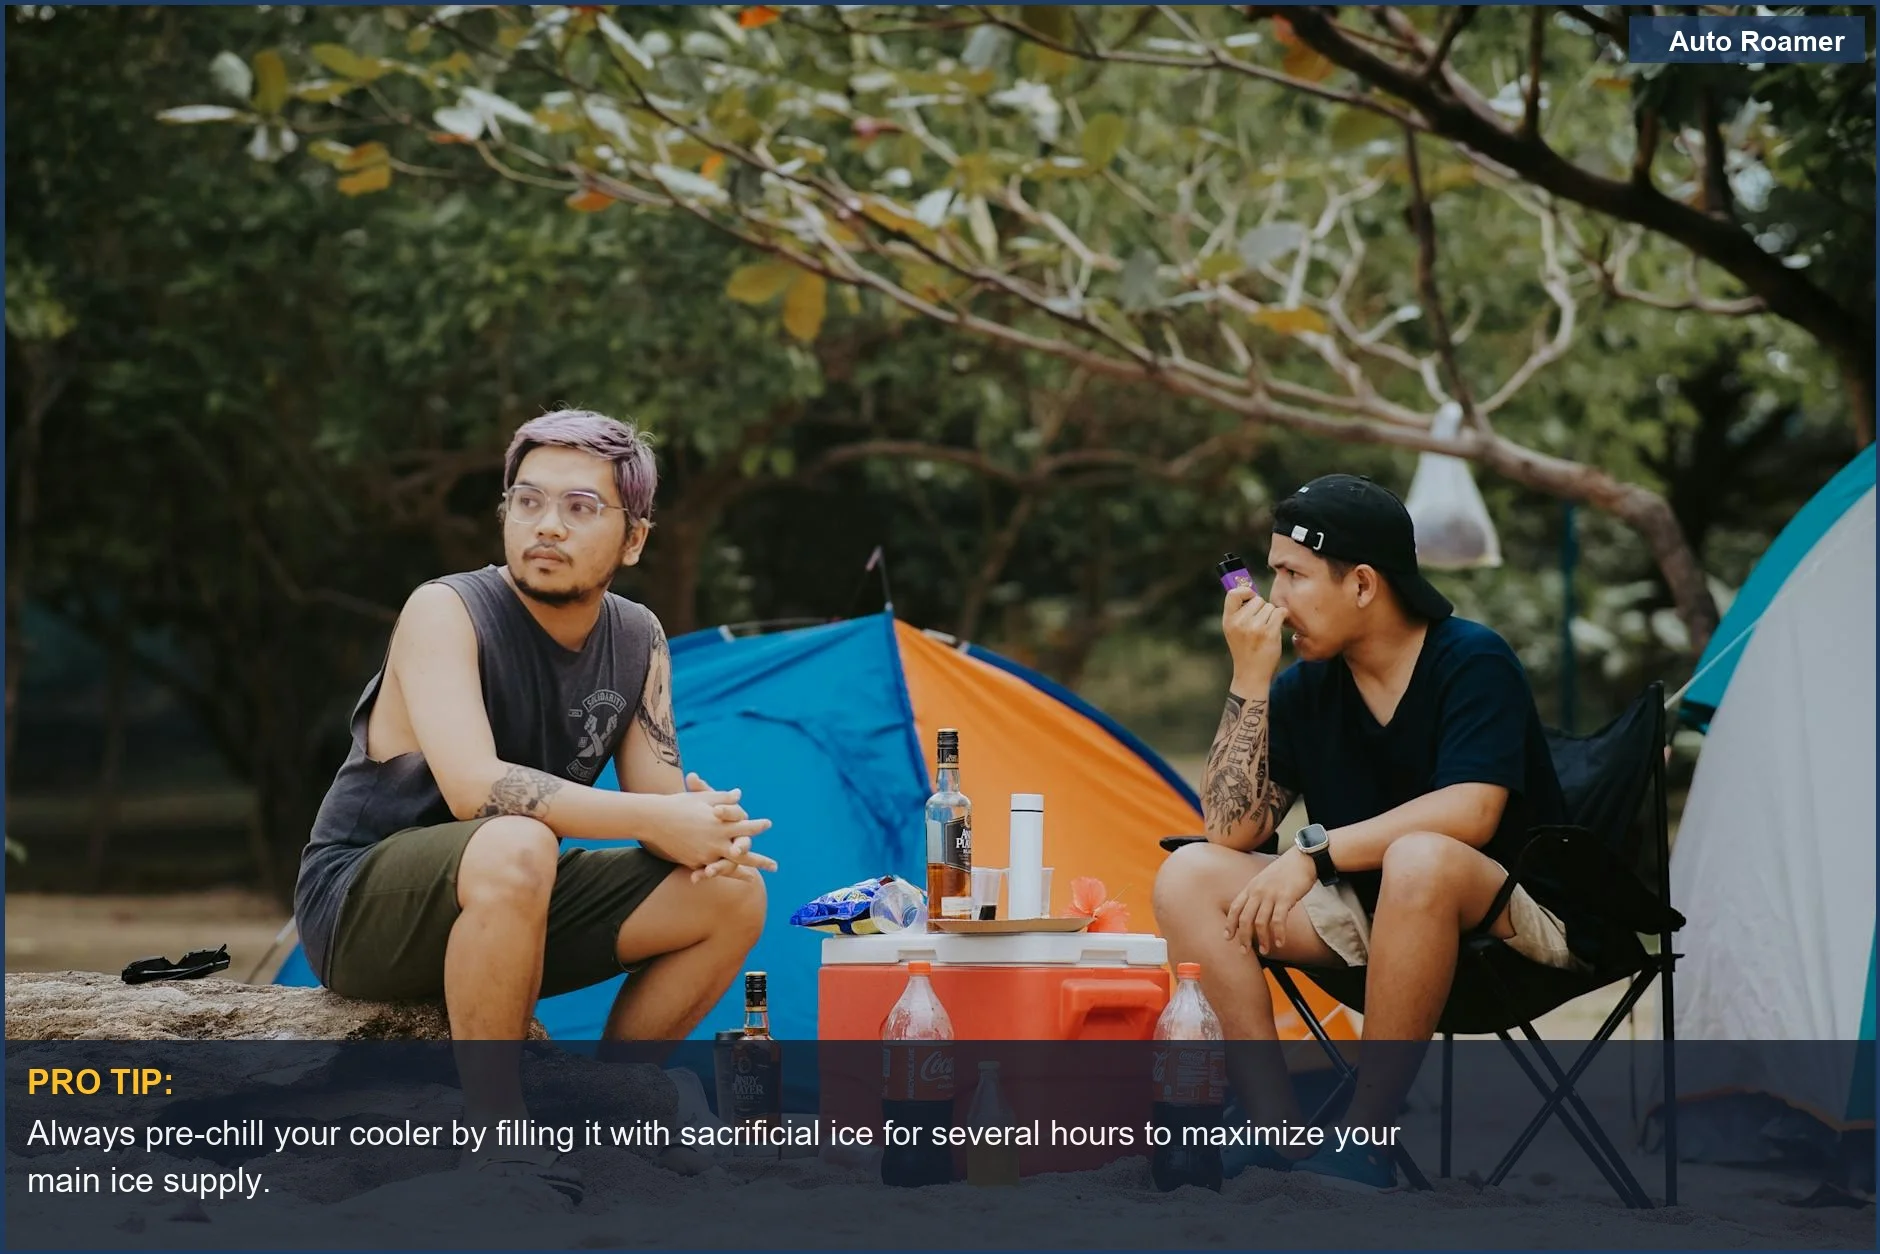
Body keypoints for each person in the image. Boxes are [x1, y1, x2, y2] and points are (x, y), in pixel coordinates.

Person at [293, 409, 773, 1199]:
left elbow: (658, 803)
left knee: (731, 891)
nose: (547, 526)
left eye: (581, 508)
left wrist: (701, 824)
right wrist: (657, 820)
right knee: (515, 839)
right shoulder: (445, 610)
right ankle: (497, 1138)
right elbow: (475, 790)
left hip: (518, 890)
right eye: (527, 501)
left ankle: (607, 1107)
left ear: (634, 539)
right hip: (364, 902)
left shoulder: (639, 637)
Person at [1153, 474, 1576, 1189]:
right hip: (1373, 919)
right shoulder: (1306, 686)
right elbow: (1230, 829)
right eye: (1271, 573)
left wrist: (1314, 855)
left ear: (1363, 585)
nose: (1273, 598)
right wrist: (1250, 680)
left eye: (1292, 574)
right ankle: (1273, 1129)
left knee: (1421, 858)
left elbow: (1472, 813)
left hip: (1511, 918)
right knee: (1189, 874)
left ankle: (1365, 1137)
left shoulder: (1472, 660)